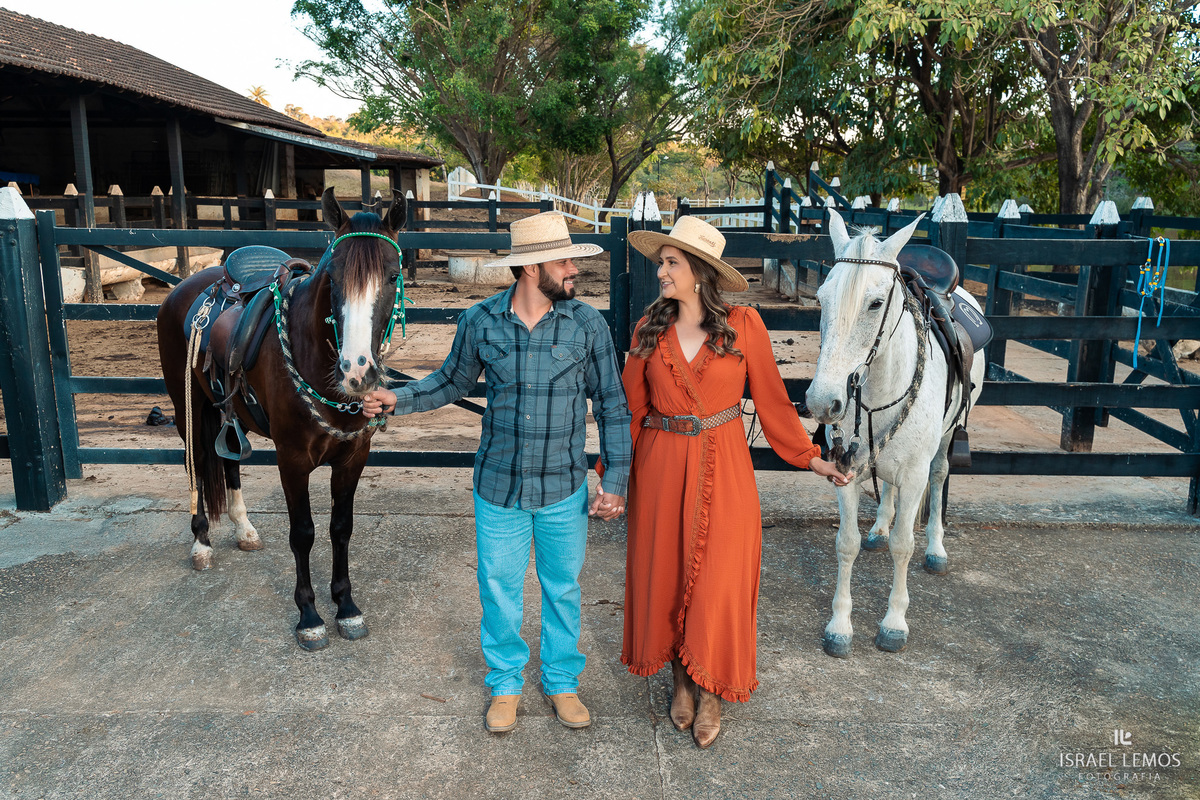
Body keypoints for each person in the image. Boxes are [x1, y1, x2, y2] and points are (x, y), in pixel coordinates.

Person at [362, 211, 632, 734]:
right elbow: (448, 382)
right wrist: (398, 398)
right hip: (498, 486)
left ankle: (561, 681)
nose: (573, 268)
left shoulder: (587, 324)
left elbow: (614, 405)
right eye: (563, 259)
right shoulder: (481, 321)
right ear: (532, 268)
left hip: (563, 487)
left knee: (561, 587)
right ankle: (505, 683)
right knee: (500, 587)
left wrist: (614, 480)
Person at [615, 216, 851, 749]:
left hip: (724, 466)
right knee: (667, 574)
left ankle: (713, 689)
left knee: (721, 580)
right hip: (659, 464)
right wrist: (612, 475)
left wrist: (811, 458)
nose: (661, 272)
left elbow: (770, 399)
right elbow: (630, 408)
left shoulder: (744, 325)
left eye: (671, 262)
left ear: (699, 272)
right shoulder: (647, 330)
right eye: (661, 261)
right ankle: (678, 678)